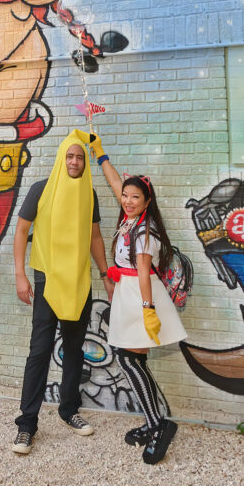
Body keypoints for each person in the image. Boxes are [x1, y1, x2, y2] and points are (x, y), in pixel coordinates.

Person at [12, 130, 111, 454]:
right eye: (70, 156)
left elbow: (95, 238)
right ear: (61, 158)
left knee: (74, 350)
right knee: (39, 352)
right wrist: (21, 276)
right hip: (47, 281)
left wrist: (105, 273)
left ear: (85, 163)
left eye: (80, 157)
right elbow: (22, 231)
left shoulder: (89, 194)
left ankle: (69, 410)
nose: (74, 161)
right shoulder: (41, 190)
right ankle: (27, 424)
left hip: (79, 283)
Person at [91, 134, 186, 464]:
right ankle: (154, 422)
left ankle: (158, 425)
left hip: (138, 297)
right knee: (134, 359)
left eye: (135, 197)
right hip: (128, 295)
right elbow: (116, 182)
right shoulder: (131, 218)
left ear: (147, 201)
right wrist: (100, 154)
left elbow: (144, 272)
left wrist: (147, 311)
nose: (127, 200)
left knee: (127, 359)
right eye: (126, 197)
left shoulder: (144, 232)